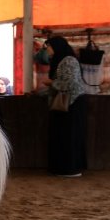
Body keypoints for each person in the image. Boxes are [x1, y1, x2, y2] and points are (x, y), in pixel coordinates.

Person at [43, 36, 87, 177]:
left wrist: (51, 83)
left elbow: (70, 83)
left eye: (48, 46)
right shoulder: (60, 60)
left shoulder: (68, 60)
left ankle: (70, 169)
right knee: (62, 137)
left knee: (69, 137)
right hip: (65, 104)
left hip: (71, 104)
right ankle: (62, 168)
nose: (47, 50)